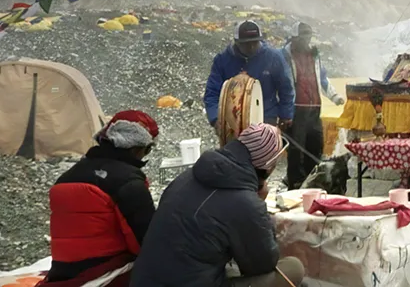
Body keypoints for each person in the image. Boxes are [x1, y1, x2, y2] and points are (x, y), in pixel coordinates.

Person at [131, 124, 305, 287]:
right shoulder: (246, 203)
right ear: (268, 167)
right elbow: (262, 264)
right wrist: (259, 203)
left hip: (144, 279)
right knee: (293, 268)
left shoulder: (186, 176)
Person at [42, 111, 159, 287]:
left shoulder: (66, 177)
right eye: (147, 149)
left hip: (61, 275)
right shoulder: (127, 182)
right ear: (138, 148)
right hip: (106, 276)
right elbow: (147, 243)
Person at [282, 22, 346, 189]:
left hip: (314, 106)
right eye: (303, 36)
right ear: (294, 37)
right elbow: (284, 83)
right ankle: (295, 182)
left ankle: (313, 180)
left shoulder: (314, 55)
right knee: (297, 148)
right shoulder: (285, 55)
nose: (307, 40)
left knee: (316, 143)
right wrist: (285, 110)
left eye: (308, 36)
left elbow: (322, 78)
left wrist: (334, 96)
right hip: (297, 107)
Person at [204, 21, 295, 135]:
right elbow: (212, 92)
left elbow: (285, 88)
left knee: (263, 151)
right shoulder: (223, 60)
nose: (251, 47)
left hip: (266, 118)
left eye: (255, 42)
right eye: (246, 44)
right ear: (237, 42)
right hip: (233, 122)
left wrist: (285, 115)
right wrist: (216, 119)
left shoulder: (273, 57)